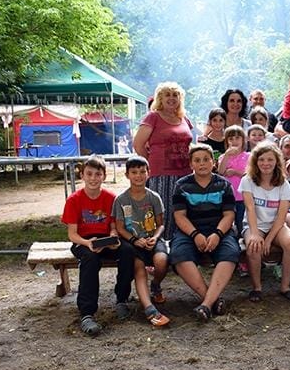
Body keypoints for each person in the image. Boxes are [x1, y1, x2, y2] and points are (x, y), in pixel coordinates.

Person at [62, 156, 134, 336]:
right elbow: (72, 234)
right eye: (89, 174)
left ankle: (122, 299)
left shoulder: (111, 198)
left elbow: (113, 226)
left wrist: (113, 238)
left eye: (98, 174)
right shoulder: (74, 200)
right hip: (83, 241)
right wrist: (88, 243)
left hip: (105, 239)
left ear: (104, 176)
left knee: (127, 251)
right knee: (90, 258)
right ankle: (87, 313)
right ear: (82, 175)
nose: (93, 178)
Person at [170, 144, 239, 321]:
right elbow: (179, 216)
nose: (202, 163)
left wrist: (217, 234)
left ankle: (206, 305)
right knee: (178, 255)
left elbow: (229, 215)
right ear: (191, 164)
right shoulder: (181, 185)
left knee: (230, 253)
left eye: (206, 159)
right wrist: (195, 235)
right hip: (189, 231)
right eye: (197, 160)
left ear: (213, 163)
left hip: (219, 229)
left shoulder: (224, 184)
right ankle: (212, 300)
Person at [113, 156, 170, 327]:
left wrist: (155, 237)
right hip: (133, 243)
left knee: (162, 261)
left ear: (148, 173)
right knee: (139, 268)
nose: (138, 175)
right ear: (127, 175)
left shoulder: (154, 197)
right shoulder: (121, 200)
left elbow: (161, 224)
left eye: (142, 171)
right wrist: (134, 240)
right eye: (134, 172)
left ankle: (156, 285)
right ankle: (149, 308)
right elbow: (120, 227)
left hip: (153, 239)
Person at [239, 143, 290, 302]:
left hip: (276, 225)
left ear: (276, 161)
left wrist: (269, 239)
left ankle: (285, 286)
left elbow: (282, 215)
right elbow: (250, 208)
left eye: (270, 159)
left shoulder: (283, 183)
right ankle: (257, 288)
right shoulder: (248, 180)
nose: (266, 163)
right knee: (253, 247)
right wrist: (254, 234)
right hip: (254, 224)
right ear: (255, 161)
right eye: (261, 159)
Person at [133, 82, 193, 240]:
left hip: (185, 174)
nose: (172, 98)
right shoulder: (153, 117)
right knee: (163, 213)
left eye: (175, 95)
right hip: (162, 175)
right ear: (160, 98)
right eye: (167, 95)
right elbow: (138, 144)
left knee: (184, 212)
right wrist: (151, 163)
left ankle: (181, 247)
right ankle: (160, 247)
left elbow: (189, 144)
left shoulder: (184, 119)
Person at [217, 125, 250, 236]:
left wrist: (235, 172)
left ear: (243, 140)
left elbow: (249, 174)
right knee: (227, 221)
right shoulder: (223, 157)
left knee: (240, 221)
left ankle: (241, 237)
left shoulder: (248, 156)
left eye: (237, 138)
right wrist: (227, 155)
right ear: (226, 141)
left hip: (242, 196)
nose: (234, 141)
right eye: (231, 138)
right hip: (228, 195)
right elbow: (220, 171)